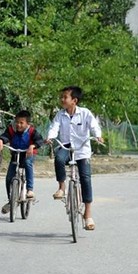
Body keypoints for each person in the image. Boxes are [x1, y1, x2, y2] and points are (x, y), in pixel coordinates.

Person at [45, 86, 103, 230]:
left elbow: (94, 126)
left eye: (65, 97)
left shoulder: (85, 113)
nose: (62, 100)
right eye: (62, 97)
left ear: (74, 100)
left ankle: (88, 215)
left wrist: (98, 135)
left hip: (82, 149)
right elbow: (54, 127)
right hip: (66, 146)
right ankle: (61, 188)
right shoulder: (60, 114)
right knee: (58, 159)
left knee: (85, 178)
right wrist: (50, 137)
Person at [0, 110, 44, 214]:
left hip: (28, 154)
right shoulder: (11, 129)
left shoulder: (32, 131)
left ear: (27, 124)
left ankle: (30, 189)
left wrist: (32, 146)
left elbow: (39, 140)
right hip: (16, 154)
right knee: (9, 177)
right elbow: (5, 136)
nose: (18, 125)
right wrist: (0, 140)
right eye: (17, 122)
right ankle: (11, 200)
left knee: (28, 164)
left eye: (22, 123)